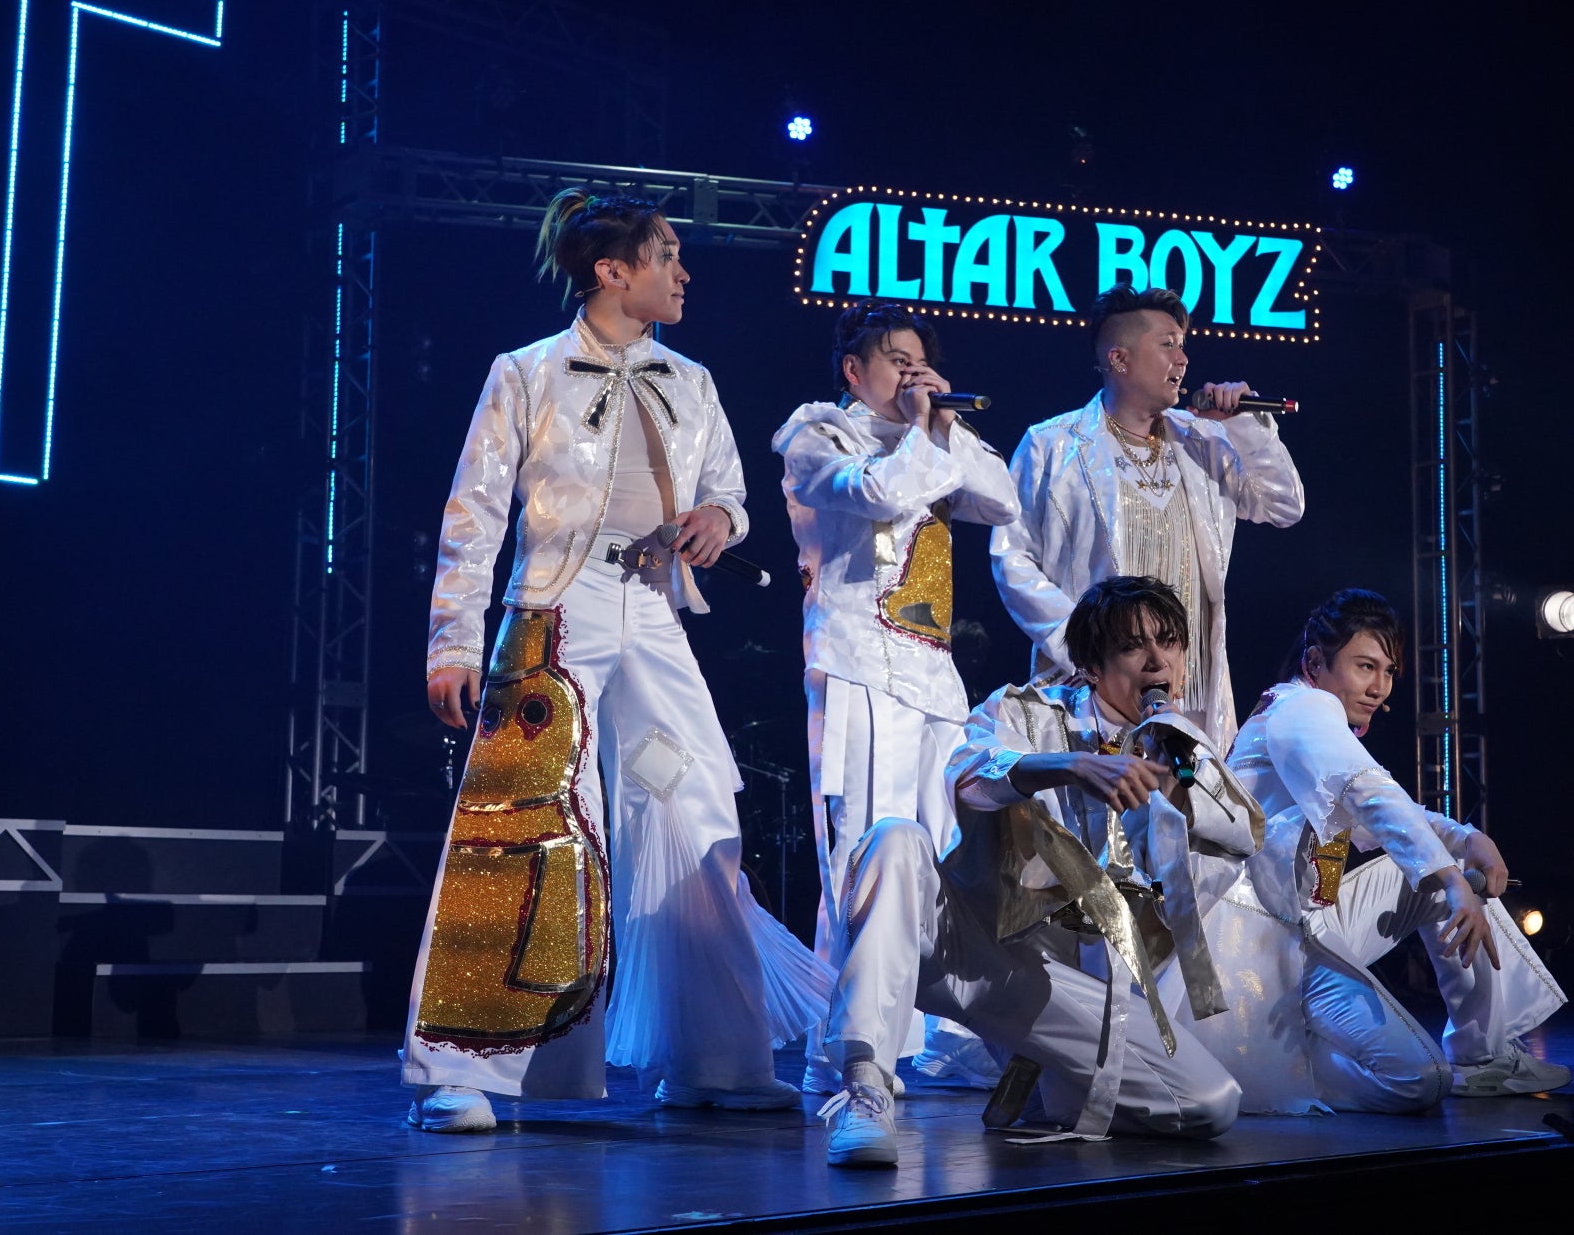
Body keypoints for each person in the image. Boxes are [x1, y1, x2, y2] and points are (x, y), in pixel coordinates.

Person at [402, 189, 830, 1132]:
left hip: (654, 611)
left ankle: (715, 1060)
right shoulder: (525, 372)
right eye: (666, 255)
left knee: (696, 802)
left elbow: (730, 491)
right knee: (528, 818)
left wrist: (719, 518)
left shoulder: (692, 379)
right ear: (612, 271)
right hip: (555, 611)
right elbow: (473, 515)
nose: (684, 272)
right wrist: (453, 641)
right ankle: (469, 1069)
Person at [816, 576, 1261, 1167]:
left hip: (1054, 991)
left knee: (1211, 1104)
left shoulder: (1183, 749)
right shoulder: (1025, 712)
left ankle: (1048, 1083)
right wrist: (1069, 766)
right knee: (894, 838)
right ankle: (864, 1088)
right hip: (969, 946)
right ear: (1092, 667)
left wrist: (1181, 771)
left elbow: (1243, 829)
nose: (1158, 660)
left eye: (1170, 642)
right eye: (1134, 646)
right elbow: (969, 777)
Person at [771, 299, 1021, 1092]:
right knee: (865, 857)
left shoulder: (929, 439)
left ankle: (945, 1039)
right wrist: (921, 432)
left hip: (933, 677)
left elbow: (1002, 499)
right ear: (854, 370)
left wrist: (941, 427)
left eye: (922, 365)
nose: (916, 378)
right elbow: (878, 494)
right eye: (898, 363)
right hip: (859, 665)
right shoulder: (818, 436)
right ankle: (846, 1049)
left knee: (946, 856)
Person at [1197, 588, 1570, 1114]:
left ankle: (1481, 1058)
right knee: (1418, 1081)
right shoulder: (1302, 708)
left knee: (1449, 874)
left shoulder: (1306, 718)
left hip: (1311, 924)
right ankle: (1296, 1064)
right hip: (1269, 948)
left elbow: (1376, 810)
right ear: (1315, 663)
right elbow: (1370, 793)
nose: (1379, 687)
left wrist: (1466, 840)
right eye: (1365, 666)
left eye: (1388, 671)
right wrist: (1452, 878)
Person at [990, 283, 1304, 750]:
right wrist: (1086, 646)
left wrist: (1245, 426)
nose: (1183, 359)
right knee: (1100, 794)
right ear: (1119, 359)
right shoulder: (1051, 445)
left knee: (1192, 795)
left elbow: (1284, 505)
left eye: (1183, 345)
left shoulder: (1205, 439)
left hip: (1189, 691)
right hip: (1094, 687)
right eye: (1168, 344)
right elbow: (1012, 558)